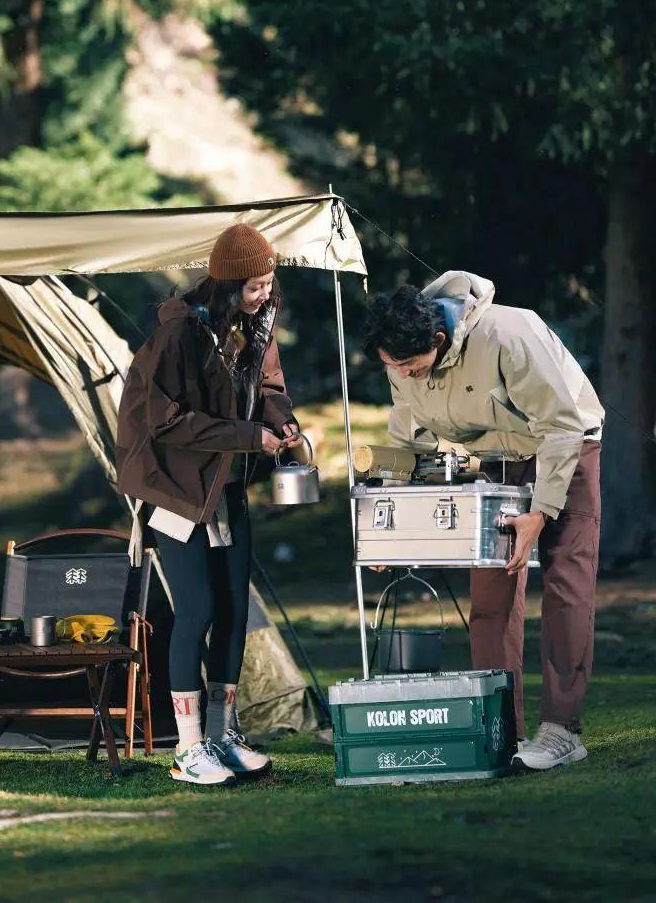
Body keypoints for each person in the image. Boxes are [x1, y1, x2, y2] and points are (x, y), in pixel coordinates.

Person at [361, 271, 604, 771]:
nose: (402, 376)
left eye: (408, 365)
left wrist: (542, 511)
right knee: (490, 597)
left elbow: (562, 425)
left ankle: (562, 729)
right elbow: (407, 441)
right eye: (392, 367)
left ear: (439, 339)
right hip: (496, 460)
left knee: (566, 584)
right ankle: (500, 729)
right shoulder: (401, 358)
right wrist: (387, 530)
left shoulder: (511, 334)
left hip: (568, 449)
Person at [116, 224, 301, 786]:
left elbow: (268, 387)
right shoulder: (180, 332)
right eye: (254, 286)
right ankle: (188, 749)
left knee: (235, 615)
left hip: (226, 487)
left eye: (269, 283)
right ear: (225, 284)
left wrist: (281, 421)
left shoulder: (256, 324)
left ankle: (222, 737)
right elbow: (165, 422)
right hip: (175, 489)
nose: (264, 294)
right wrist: (250, 438)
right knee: (194, 612)